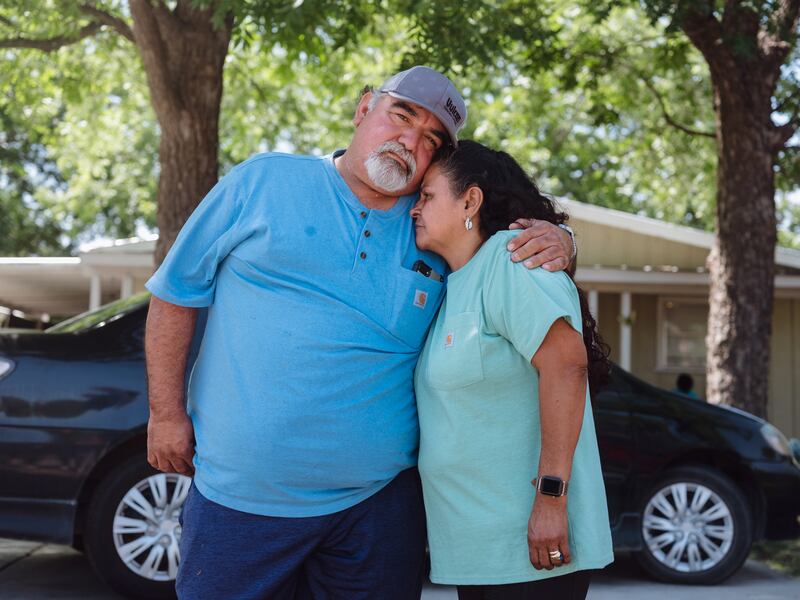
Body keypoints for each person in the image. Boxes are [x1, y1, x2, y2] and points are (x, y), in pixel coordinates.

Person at [144, 66, 576, 599]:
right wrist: (165, 413)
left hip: (376, 509)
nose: (410, 142)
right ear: (363, 108)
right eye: (401, 116)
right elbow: (175, 295)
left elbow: (514, 259)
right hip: (241, 499)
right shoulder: (261, 182)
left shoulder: (435, 227)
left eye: (431, 140)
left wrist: (564, 238)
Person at [411, 140, 614, 600]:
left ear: (471, 200)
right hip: (480, 549)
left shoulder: (511, 259)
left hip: (531, 545)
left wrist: (550, 499)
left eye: (427, 196)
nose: (414, 209)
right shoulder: (455, 282)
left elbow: (566, 366)